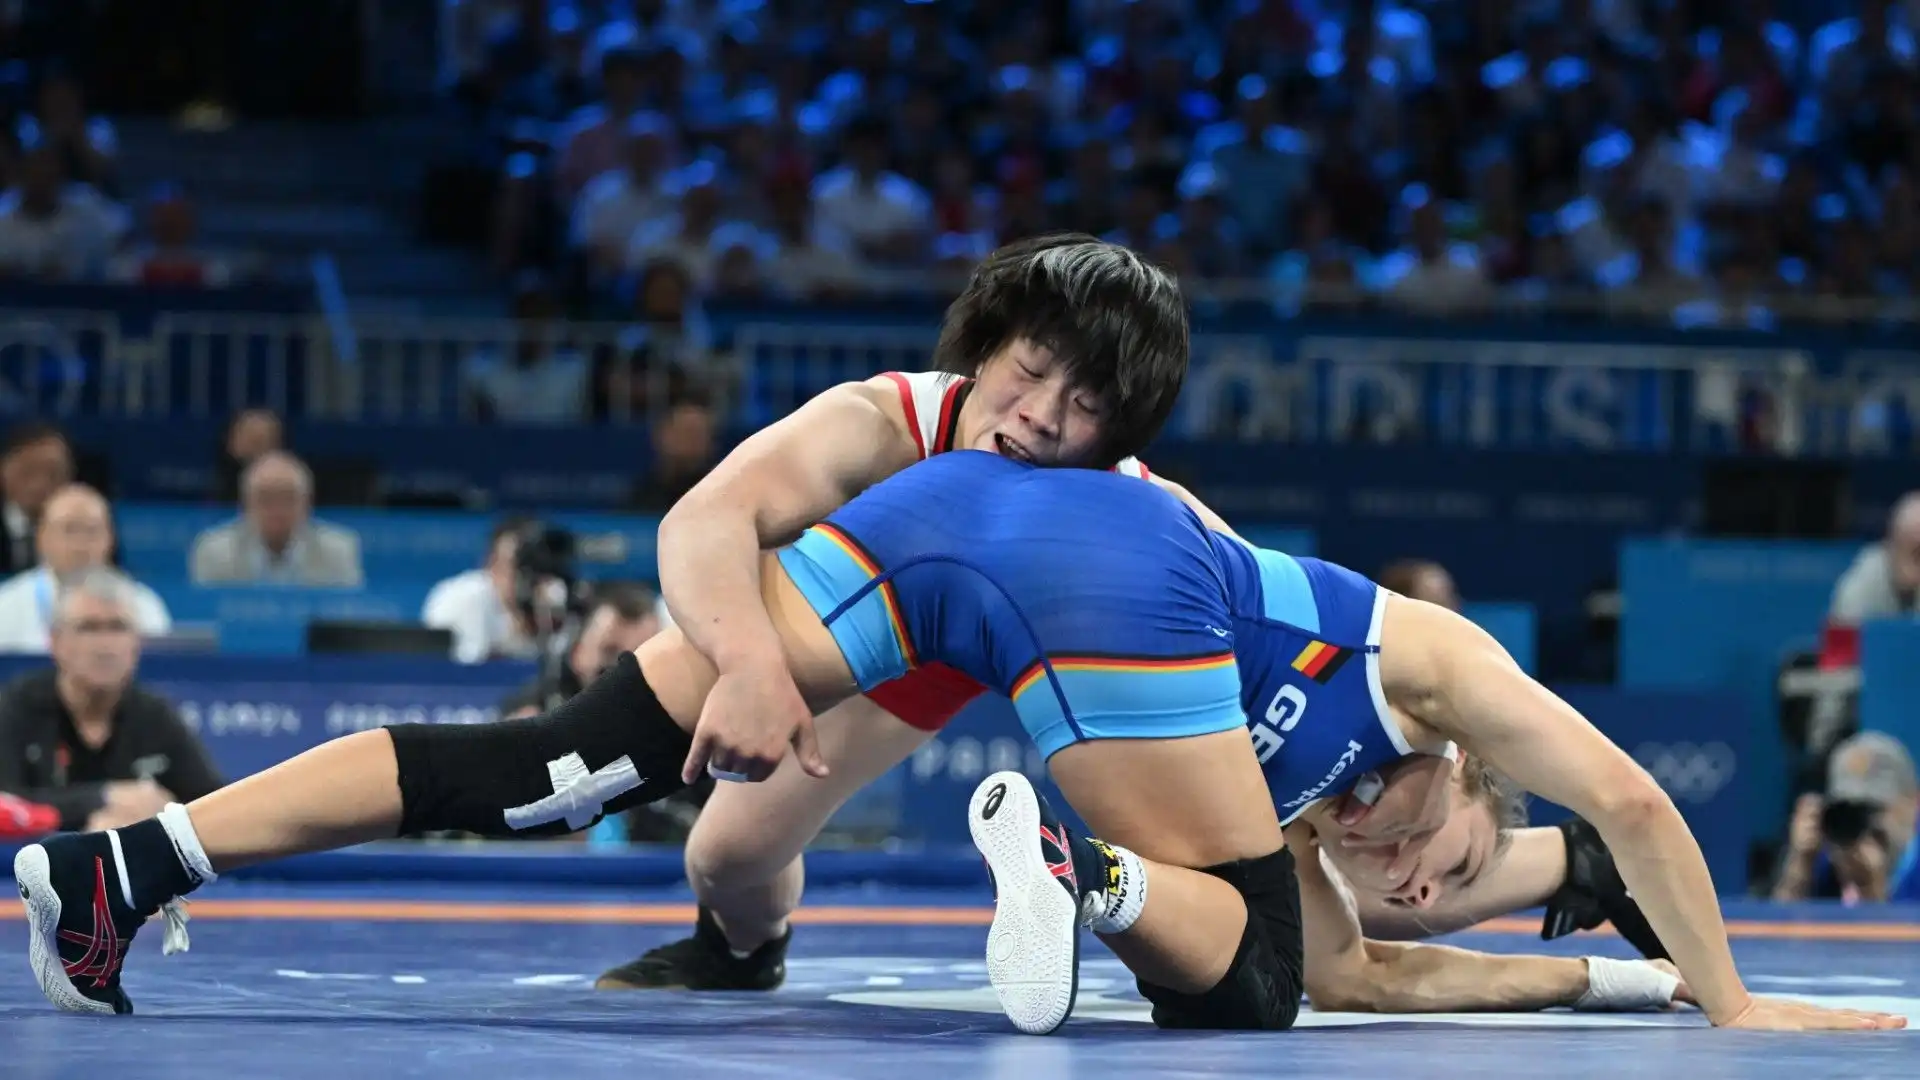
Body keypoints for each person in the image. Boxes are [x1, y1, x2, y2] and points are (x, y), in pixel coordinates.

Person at [11, 453, 1902, 1040]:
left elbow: (1391, 952)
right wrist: (1729, 1006)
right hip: (1040, 632)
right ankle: (1073, 880)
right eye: (1429, 832)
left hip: (956, 631)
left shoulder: (1330, 790)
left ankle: (137, 859)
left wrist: (1600, 989)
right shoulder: (1423, 665)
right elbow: (1637, 798)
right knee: (1241, 976)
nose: (1401, 856)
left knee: (662, 823)